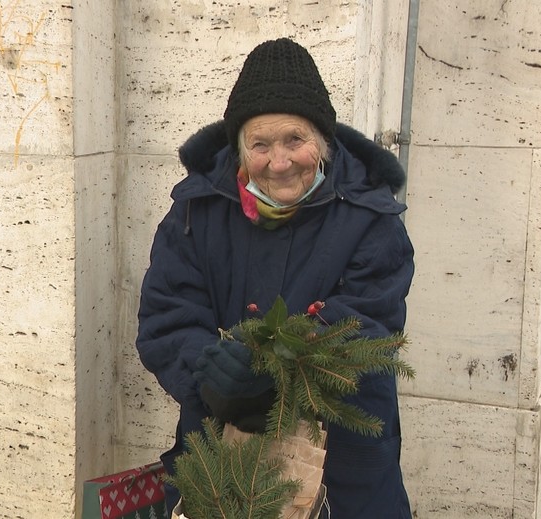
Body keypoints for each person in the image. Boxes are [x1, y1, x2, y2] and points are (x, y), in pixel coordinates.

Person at [136, 37, 415, 518]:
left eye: (294, 140)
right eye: (260, 144)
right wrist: (214, 376)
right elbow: (168, 317)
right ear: (239, 151)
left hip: (344, 469)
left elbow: (369, 322)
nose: (279, 162)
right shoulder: (196, 211)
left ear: (322, 143)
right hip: (220, 460)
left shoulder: (370, 215)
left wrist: (276, 369)